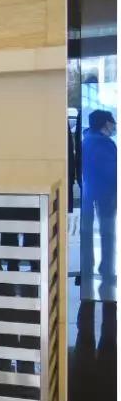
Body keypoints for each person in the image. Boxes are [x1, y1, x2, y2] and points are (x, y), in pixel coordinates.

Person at [80, 109, 117, 299]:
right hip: (106, 196)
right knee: (107, 234)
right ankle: (107, 271)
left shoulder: (86, 139)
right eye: (112, 122)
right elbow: (112, 173)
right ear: (105, 123)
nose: (115, 125)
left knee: (86, 234)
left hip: (89, 194)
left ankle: (87, 268)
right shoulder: (105, 143)